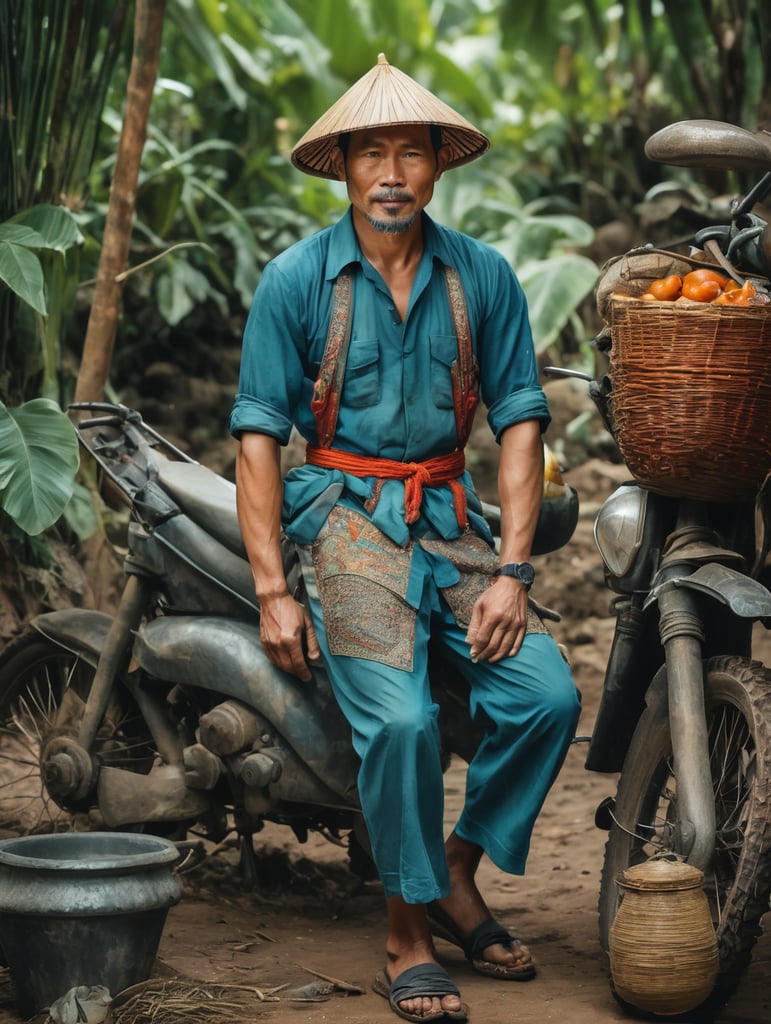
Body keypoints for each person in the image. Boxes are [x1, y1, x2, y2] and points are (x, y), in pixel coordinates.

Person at [229, 53, 581, 1024]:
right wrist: (272, 588)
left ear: (438, 165)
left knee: (549, 694)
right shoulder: (295, 280)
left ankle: (455, 874)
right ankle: (407, 932)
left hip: (451, 519)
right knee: (403, 721)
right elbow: (258, 440)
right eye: (371, 153)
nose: (391, 173)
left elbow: (520, 427)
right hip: (342, 520)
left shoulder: (485, 277)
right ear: (343, 165)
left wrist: (514, 569)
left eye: (410, 153)